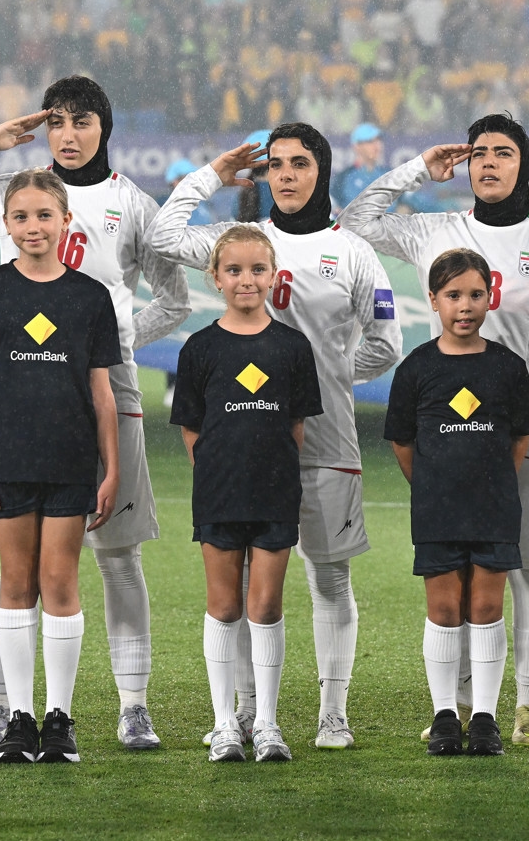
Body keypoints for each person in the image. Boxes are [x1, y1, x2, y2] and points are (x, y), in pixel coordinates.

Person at [0, 76, 190, 750]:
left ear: (106, 127)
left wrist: (112, 343)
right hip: (19, 401)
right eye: (57, 121)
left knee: (118, 557)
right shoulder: (20, 191)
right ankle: (9, 705)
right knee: (19, 567)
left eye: (82, 121)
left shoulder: (133, 203)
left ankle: (133, 704)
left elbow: (176, 300)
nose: (67, 134)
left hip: (105, 392)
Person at [344, 113, 529, 746]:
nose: (487, 163)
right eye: (478, 152)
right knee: (451, 580)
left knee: (528, 571)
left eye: (503, 153)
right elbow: (355, 221)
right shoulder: (437, 229)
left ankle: (527, 707)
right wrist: (415, 170)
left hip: (522, 438)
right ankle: (453, 708)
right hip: (450, 440)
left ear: (523, 166)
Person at [151, 122, 402, 749]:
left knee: (330, 578)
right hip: (244, 445)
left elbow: (386, 343)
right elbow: (163, 236)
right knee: (238, 589)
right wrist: (212, 172)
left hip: (327, 441)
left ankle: (332, 714)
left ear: (322, 171)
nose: (286, 175)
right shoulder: (243, 242)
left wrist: (328, 377)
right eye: (276, 165)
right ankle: (240, 715)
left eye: (300, 164)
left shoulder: (352, 252)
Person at [0, 170, 122, 764]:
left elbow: (102, 393)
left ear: (64, 221)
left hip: (70, 461)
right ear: (6, 224)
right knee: (17, 582)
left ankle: (59, 719)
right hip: (7, 463)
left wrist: (111, 469)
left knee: (60, 582)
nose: (33, 227)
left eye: (44, 216)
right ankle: (19, 718)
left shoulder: (89, 297)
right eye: (21, 217)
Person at [171, 225, 324, 763]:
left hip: (275, 493)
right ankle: (223, 724)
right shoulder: (201, 347)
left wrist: (271, 469)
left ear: (273, 276)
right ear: (215, 278)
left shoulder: (291, 345)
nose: (246, 280)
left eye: (257, 269)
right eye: (234, 270)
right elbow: (192, 429)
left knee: (265, 605)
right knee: (224, 604)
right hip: (219, 494)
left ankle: (267, 723)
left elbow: (296, 427)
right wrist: (218, 471)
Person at [385, 248, 529, 756]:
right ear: (433, 300)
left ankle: (487, 717)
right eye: (453, 296)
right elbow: (403, 442)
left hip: (493, 507)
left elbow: (517, 439)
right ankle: (446, 713)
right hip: (437, 510)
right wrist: (431, 485)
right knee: (445, 610)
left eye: (475, 294)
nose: (465, 306)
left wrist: (489, 484)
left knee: (488, 607)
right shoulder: (416, 369)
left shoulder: (508, 368)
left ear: (490, 297)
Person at [333, 122, 385, 208]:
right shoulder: (342, 179)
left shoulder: (388, 173)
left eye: (378, 140)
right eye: (370, 141)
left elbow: (409, 203)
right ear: (357, 146)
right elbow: (330, 210)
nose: (377, 145)